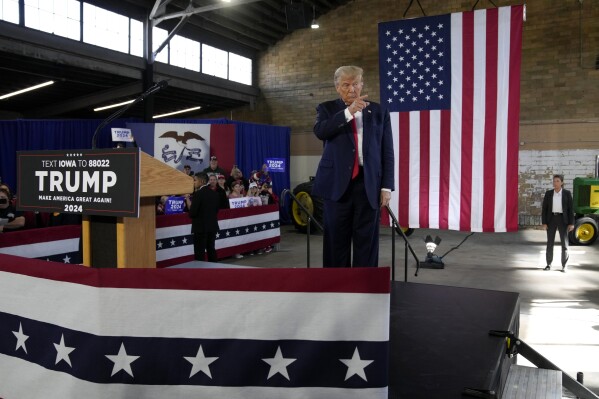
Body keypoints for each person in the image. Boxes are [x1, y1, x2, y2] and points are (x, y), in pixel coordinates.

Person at [312, 65, 394, 268]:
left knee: (367, 242)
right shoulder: (327, 108)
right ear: (337, 87)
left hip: (368, 185)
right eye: (346, 85)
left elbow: (387, 151)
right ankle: (336, 287)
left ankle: (364, 287)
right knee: (335, 241)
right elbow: (321, 131)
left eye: (356, 83)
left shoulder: (378, 111)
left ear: (362, 84)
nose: (352, 89)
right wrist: (348, 112)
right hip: (337, 186)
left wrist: (386, 187)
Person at [187, 173, 228, 262]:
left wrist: (187, 202)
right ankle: (213, 271)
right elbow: (216, 210)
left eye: (195, 180)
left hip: (200, 228)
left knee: (199, 252)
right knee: (211, 249)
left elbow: (192, 213)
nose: (194, 182)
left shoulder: (198, 194)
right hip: (212, 226)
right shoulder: (215, 194)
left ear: (201, 181)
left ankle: (200, 273)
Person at [541, 174, 575, 272]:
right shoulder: (548, 193)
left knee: (564, 244)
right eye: (554, 181)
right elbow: (544, 209)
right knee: (550, 243)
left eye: (557, 181)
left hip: (563, 220)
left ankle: (564, 265)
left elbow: (570, 209)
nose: (555, 183)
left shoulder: (567, 193)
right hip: (551, 219)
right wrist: (544, 222)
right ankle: (548, 264)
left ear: (562, 182)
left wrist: (571, 223)